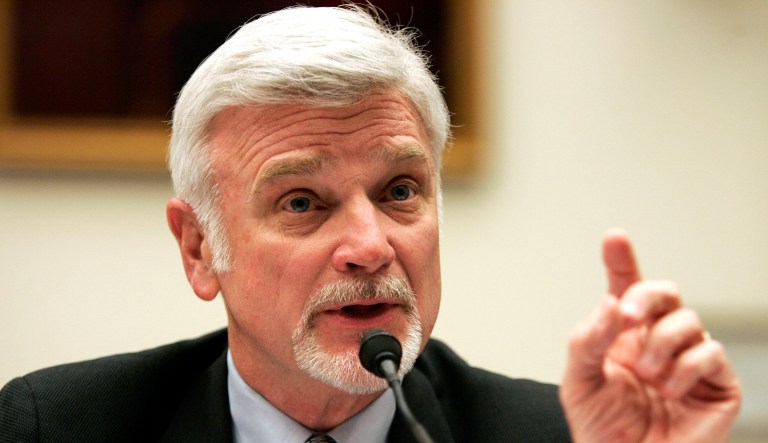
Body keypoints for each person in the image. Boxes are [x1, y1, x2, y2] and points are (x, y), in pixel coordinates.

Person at [0, 5, 741, 442]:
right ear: (199, 248)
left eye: (399, 189)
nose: (370, 246)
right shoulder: (55, 427)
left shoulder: (563, 435)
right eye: (302, 202)